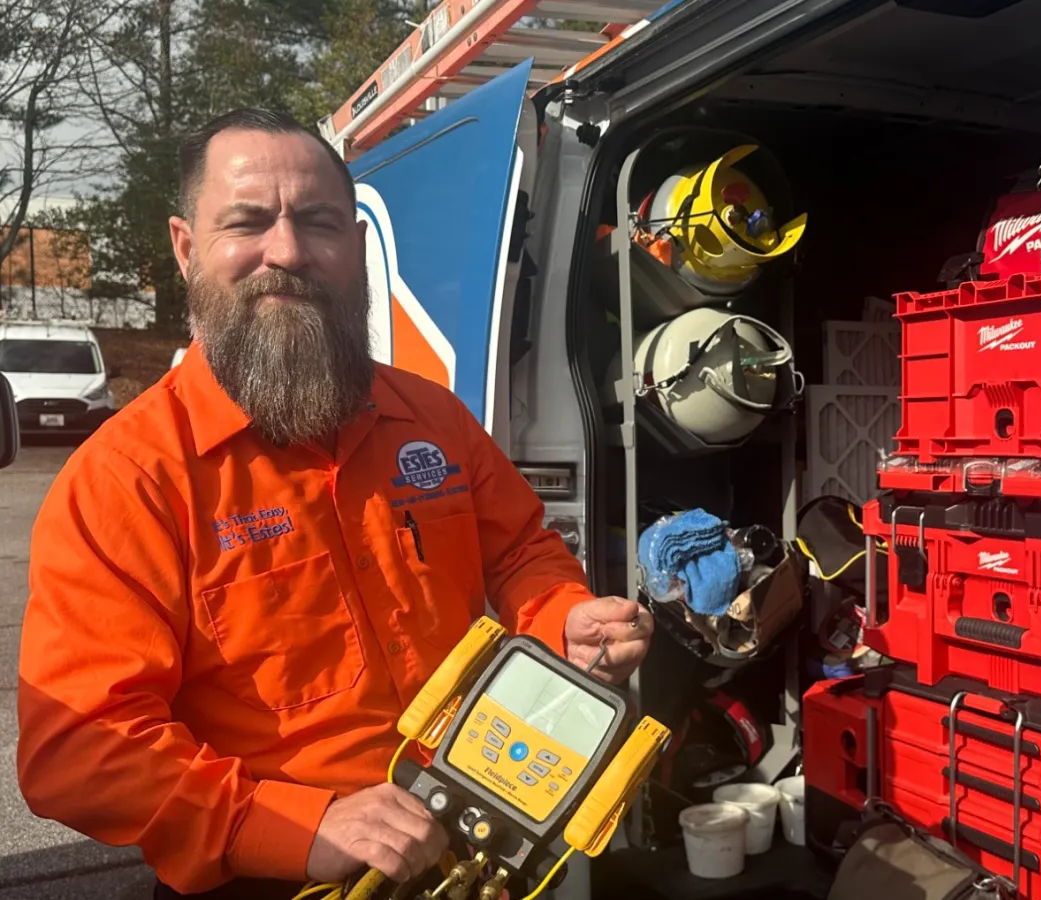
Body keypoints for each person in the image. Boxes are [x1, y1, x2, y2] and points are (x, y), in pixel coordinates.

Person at [14, 108, 654, 899]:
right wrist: (286, 824)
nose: (286, 252)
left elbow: (522, 552)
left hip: (479, 833)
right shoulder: (128, 478)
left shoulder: (433, 418)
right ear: (186, 249)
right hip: (283, 872)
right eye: (247, 223)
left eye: (317, 222)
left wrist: (563, 617)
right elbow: (81, 746)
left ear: (353, 245)